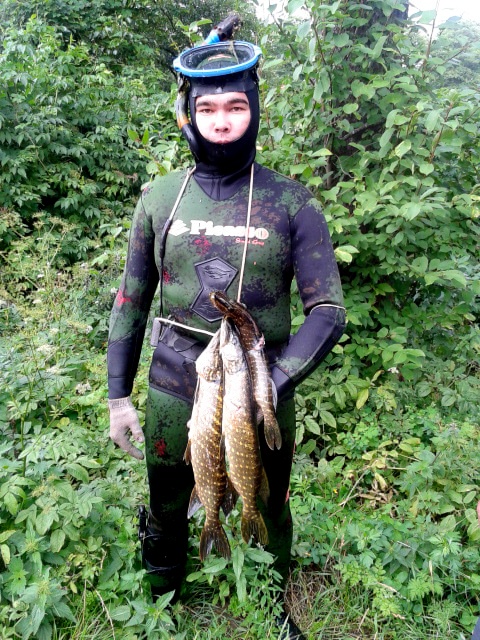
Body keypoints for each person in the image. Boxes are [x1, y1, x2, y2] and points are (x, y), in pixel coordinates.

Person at [107, 31, 346, 640]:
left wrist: (269, 385)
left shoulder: (291, 202)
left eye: (235, 106)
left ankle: (273, 605)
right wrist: (117, 398)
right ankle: (162, 600)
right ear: (187, 113)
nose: (221, 120)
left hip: (259, 387)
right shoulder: (160, 198)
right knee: (168, 498)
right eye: (206, 107)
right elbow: (131, 300)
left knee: (268, 500)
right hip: (174, 382)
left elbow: (327, 310)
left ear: (255, 109)